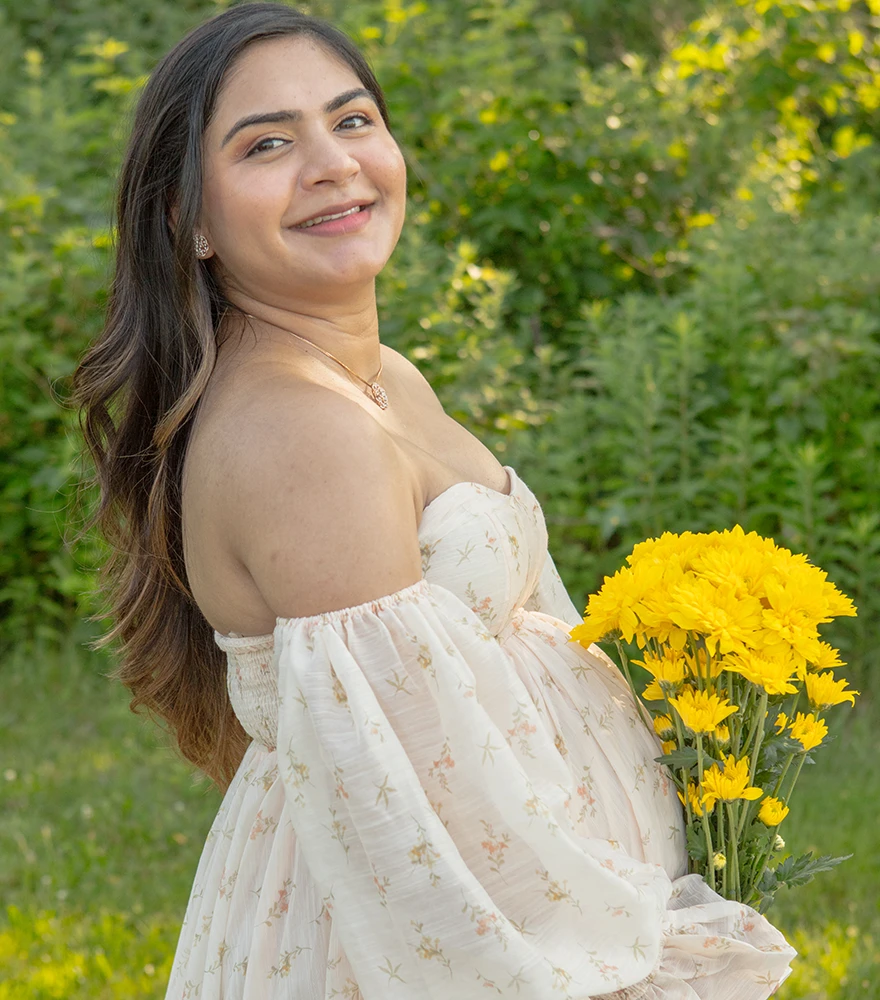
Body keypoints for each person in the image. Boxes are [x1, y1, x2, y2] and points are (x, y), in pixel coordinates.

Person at [71, 3, 797, 997]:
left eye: (352, 119)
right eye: (267, 144)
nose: (332, 163)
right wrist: (642, 956)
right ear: (189, 220)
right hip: (426, 946)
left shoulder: (378, 382)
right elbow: (412, 813)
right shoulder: (300, 431)